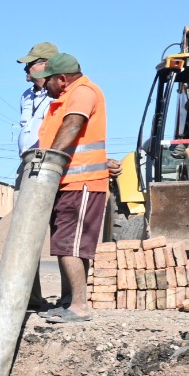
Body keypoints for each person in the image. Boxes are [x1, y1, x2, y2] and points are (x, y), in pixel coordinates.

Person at [33, 52, 118, 323]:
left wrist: (49, 162)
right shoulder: (67, 96)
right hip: (69, 182)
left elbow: (73, 125)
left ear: (61, 78)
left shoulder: (82, 92)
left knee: (70, 245)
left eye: (48, 81)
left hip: (80, 182)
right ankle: (71, 301)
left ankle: (80, 306)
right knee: (68, 243)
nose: (44, 86)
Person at [16, 42, 57, 184]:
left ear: (45, 64)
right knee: (20, 205)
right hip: (25, 163)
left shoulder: (60, 94)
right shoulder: (26, 95)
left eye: (30, 64)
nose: (25, 68)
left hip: (47, 164)